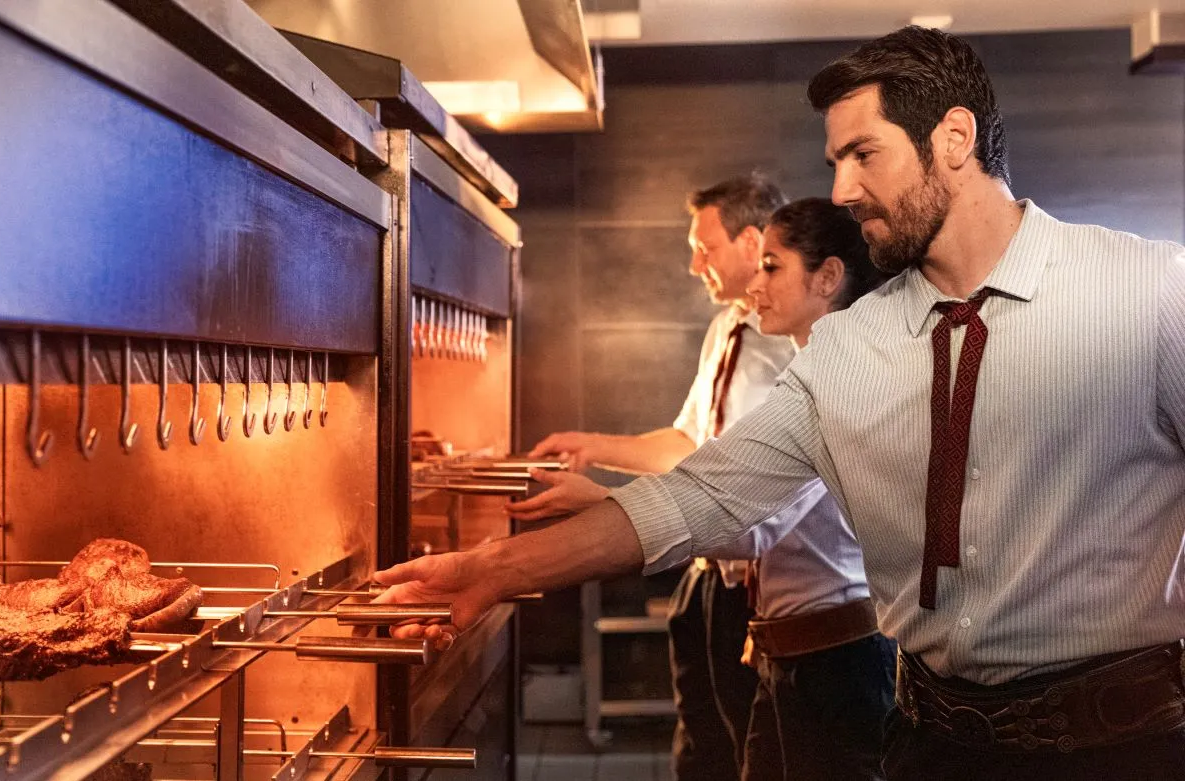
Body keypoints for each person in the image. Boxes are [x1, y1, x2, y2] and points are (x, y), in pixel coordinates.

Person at [373, 26, 1185, 780]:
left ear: (955, 138)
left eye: (863, 154)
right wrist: (492, 568)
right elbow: (697, 498)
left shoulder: (1148, 293)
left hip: (1122, 750)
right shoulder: (847, 348)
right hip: (926, 745)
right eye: (834, 160)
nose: (843, 189)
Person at [513, 198, 900, 781]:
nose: (756, 284)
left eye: (772, 267)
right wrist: (597, 458)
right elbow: (703, 456)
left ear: (827, 277)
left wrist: (597, 500)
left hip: (837, 657)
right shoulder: (805, 370)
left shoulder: (836, 383)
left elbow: (747, 528)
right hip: (787, 648)